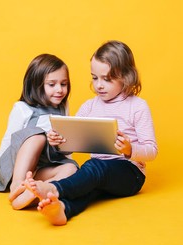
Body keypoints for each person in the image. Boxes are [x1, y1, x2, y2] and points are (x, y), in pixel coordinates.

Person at [24, 40, 158, 225]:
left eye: (107, 79)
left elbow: (152, 150)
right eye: (95, 78)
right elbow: (70, 145)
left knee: (94, 168)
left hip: (131, 175)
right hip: (99, 171)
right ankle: (62, 210)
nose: (99, 85)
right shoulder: (89, 106)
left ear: (126, 77)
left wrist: (129, 149)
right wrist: (58, 142)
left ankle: (55, 189)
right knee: (89, 185)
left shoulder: (137, 106)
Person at [0, 54, 78, 210]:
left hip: (41, 170)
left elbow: (65, 140)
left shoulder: (63, 107)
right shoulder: (23, 108)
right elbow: (8, 140)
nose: (59, 89)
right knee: (38, 137)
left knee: (72, 168)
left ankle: (38, 192)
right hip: (21, 169)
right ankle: (17, 186)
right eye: (52, 84)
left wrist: (66, 155)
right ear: (36, 85)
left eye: (64, 84)